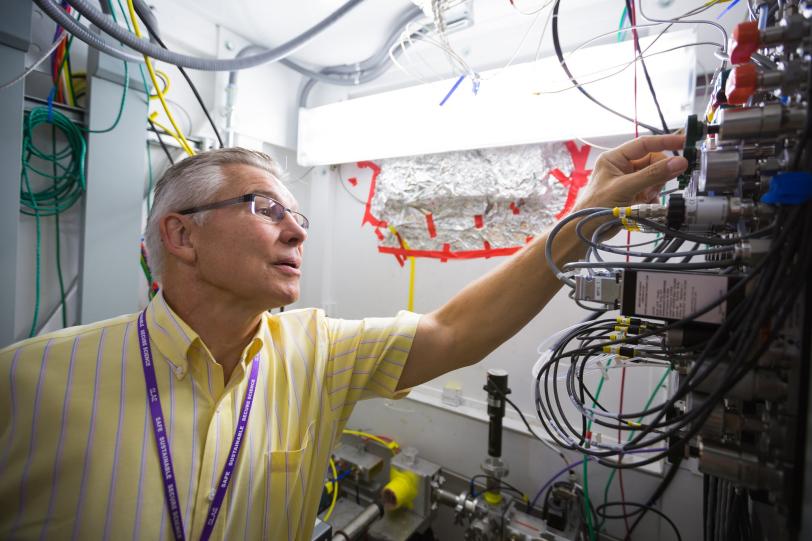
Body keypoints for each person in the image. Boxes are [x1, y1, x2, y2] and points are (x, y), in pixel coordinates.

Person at [0, 134, 687, 540]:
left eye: (299, 215)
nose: (298, 231)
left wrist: (588, 211)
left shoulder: (316, 352)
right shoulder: (28, 380)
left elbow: (455, 330)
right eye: (265, 209)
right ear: (182, 235)